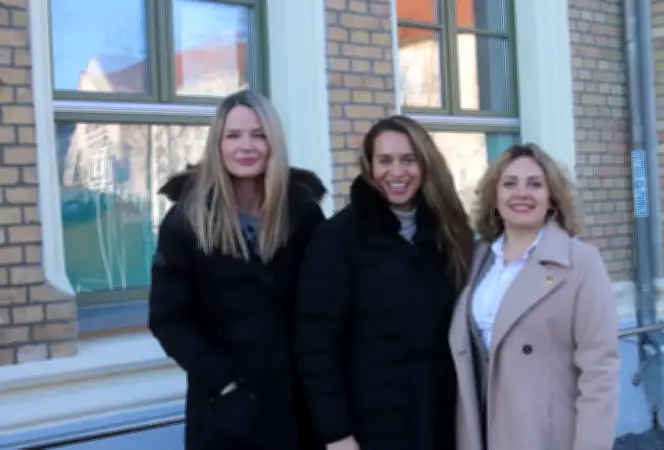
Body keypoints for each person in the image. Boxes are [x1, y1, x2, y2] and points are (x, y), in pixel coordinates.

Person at [148, 89, 326, 450]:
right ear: (218, 143)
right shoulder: (187, 221)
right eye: (234, 136)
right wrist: (225, 383)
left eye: (259, 135)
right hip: (224, 412)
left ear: (273, 142)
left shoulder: (303, 215)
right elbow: (168, 319)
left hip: (298, 407)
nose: (246, 146)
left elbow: (323, 307)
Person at [293, 115, 474, 450]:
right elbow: (315, 347)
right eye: (385, 161)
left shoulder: (449, 234)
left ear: (425, 163)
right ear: (369, 166)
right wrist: (337, 435)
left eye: (408, 160)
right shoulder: (337, 239)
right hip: (368, 430)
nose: (397, 172)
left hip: (441, 424)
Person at [449, 143, 620, 450]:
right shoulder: (477, 260)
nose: (522, 193)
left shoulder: (580, 263)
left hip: (544, 435)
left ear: (551, 195)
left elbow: (599, 371)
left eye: (535, 184)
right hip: (480, 430)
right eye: (510, 183)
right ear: (494, 196)